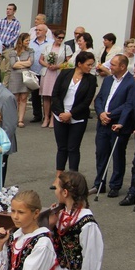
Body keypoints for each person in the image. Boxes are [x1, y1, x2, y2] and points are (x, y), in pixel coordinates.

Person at [50, 52, 98, 187]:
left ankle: (73, 178)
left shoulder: (91, 80)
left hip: (77, 118)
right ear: (79, 64)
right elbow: (55, 94)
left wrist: (70, 114)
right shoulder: (65, 74)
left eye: (92, 65)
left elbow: (87, 101)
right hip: (60, 116)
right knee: (62, 147)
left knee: (73, 148)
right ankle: (58, 177)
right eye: (88, 65)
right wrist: (61, 113)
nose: (90, 67)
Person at [91, 54, 132, 197]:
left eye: (113, 65)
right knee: (101, 153)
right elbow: (100, 98)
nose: (110, 67)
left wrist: (111, 115)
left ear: (122, 66)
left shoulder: (131, 82)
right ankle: (100, 183)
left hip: (118, 124)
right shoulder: (108, 80)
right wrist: (101, 113)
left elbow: (128, 104)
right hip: (103, 123)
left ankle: (115, 184)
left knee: (117, 155)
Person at [114, 64, 135, 205]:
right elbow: (129, 105)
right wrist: (122, 123)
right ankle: (133, 192)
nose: (133, 76)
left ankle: (133, 192)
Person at [39, 30, 71, 128]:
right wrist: (48, 65)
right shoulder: (47, 46)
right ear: (54, 36)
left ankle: (53, 118)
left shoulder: (66, 47)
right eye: (59, 37)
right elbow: (41, 60)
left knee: (55, 96)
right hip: (47, 73)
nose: (60, 39)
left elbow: (69, 62)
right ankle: (46, 118)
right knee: (46, 96)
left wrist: (58, 66)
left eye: (62, 38)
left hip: (58, 73)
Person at [8, 33, 34, 127]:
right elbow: (13, 65)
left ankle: (20, 119)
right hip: (15, 77)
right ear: (21, 41)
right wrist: (25, 63)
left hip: (25, 76)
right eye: (26, 40)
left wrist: (19, 63)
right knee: (15, 98)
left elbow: (31, 62)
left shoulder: (30, 51)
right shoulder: (13, 52)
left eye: (29, 40)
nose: (28, 42)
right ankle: (13, 118)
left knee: (23, 98)